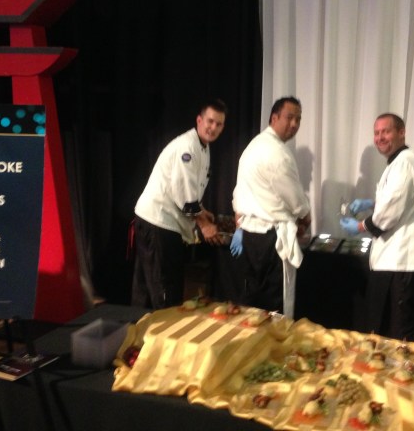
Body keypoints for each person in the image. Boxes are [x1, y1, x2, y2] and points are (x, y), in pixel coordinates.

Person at [340, 113, 414, 341]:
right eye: (377, 133)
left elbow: (390, 213)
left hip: (402, 263)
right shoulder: (400, 163)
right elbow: (399, 202)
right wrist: (372, 203)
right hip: (398, 262)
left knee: (400, 333)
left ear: (401, 132)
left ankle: (400, 366)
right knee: (393, 330)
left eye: (386, 131)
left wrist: (359, 226)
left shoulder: (404, 164)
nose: (380, 137)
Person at [131, 99, 227, 309]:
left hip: (158, 222)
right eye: (210, 121)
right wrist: (204, 225)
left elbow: (191, 189)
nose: (213, 128)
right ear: (199, 120)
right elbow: (184, 195)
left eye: (219, 124)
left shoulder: (203, 147)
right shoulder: (188, 147)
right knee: (165, 291)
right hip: (159, 223)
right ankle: (160, 330)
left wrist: (203, 211)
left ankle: (140, 328)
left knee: (146, 291)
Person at [230, 96, 311, 318]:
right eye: (290, 117)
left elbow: (239, 192)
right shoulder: (278, 153)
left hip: (249, 236)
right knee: (274, 305)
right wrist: (306, 219)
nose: (294, 124)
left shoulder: (252, 147)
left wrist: (239, 223)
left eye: (298, 119)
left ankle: (250, 338)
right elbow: (295, 199)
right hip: (269, 240)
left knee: (251, 302)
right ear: (274, 118)